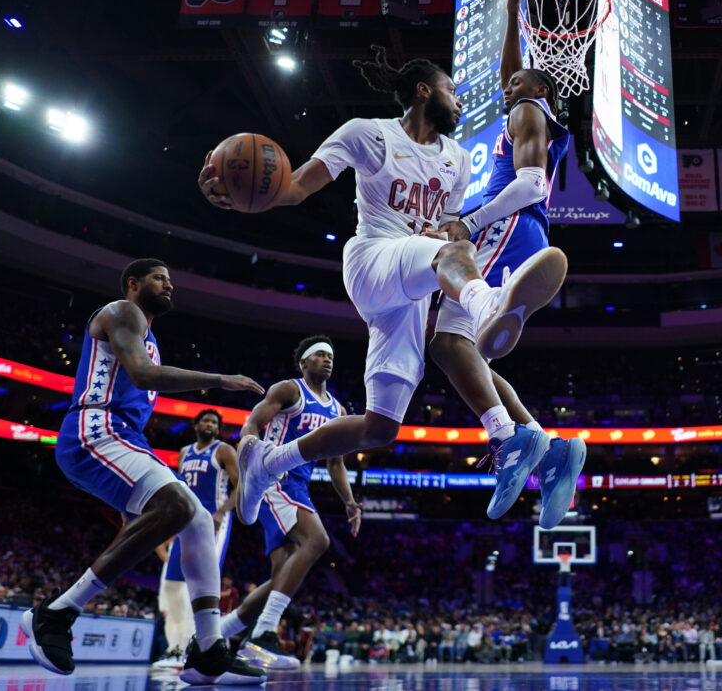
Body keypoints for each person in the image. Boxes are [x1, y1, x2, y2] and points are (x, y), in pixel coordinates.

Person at [198, 47, 567, 527]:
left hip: (411, 287)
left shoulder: (458, 160)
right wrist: (238, 194)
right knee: (457, 255)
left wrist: (452, 240)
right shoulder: (368, 133)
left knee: (380, 427)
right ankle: (489, 306)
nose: (460, 102)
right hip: (373, 259)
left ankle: (268, 462)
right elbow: (294, 187)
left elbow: (446, 230)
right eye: (452, 90)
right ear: (424, 91)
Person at [22, 258, 265, 685]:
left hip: (126, 438)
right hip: (95, 429)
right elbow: (143, 374)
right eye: (159, 278)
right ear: (133, 283)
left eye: (171, 280)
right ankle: (57, 613)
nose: (169, 285)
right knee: (179, 505)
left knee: (197, 519)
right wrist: (220, 379)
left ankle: (208, 649)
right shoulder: (123, 311)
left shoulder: (149, 337)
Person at [429, 0, 585, 528]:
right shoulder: (527, 107)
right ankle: (547, 446)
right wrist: (514, 11)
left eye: (516, 83)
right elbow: (512, 73)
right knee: (458, 349)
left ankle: (509, 436)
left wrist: (470, 221)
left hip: (507, 226)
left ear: (539, 91)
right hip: (524, 231)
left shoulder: (528, 112)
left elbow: (531, 184)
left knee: (449, 342)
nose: (506, 86)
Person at [219, 335, 361, 671]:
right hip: (275, 479)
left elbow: (336, 463)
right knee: (317, 540)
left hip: (299, 487)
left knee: (280, 578)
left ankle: (213, 636)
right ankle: (264, 633)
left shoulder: (337, 410)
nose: (327, 359)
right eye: (319, 355)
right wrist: (250, 452)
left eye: (330, 355)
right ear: (304, 362)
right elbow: (253, 422)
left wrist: (350, 502)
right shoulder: (289, 389)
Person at [154, 409, 239, 670]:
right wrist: (167, 530)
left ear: (218, 429)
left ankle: (198, 646)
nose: (209, 424)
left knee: (201, 584)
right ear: (196, 425)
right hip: (184, 521)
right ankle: (175, 647)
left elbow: (241, 486)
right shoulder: (184, 453)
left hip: (212, 520)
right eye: (205, 421)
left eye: (214, 422)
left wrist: (221, 513)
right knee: (172, 586)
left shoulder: (224, 450)